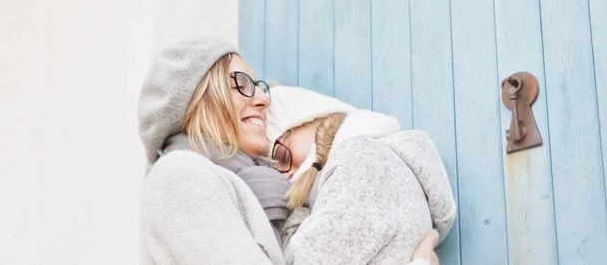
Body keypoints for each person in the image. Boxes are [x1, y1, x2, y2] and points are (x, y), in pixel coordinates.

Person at [137, 37, 442, 265]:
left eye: (259, 86)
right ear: (198, 99)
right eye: (242, 84)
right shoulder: (179, 176)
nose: (263, 100)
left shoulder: (262, 192)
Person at [265, 86, 456, 265]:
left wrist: (296, 217)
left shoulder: (361, 159)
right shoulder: (367, 164)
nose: (286, 174)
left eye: (283, 155)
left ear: (311, 119)